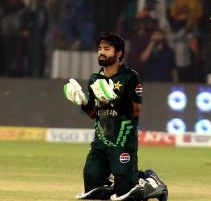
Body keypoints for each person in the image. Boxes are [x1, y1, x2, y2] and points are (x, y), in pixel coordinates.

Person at [63, 33, 168, 201]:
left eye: (107, 49)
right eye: (99, 49)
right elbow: (93, 114)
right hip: (100, 143)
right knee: (91, 184)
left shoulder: (130, 76)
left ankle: (150, 180)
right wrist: (82, 102)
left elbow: (136, 110)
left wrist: (113, 100)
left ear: (119, 53)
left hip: (123, 142)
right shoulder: (95, 79)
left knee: (126, 191)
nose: (101, 52)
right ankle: (116, 181)